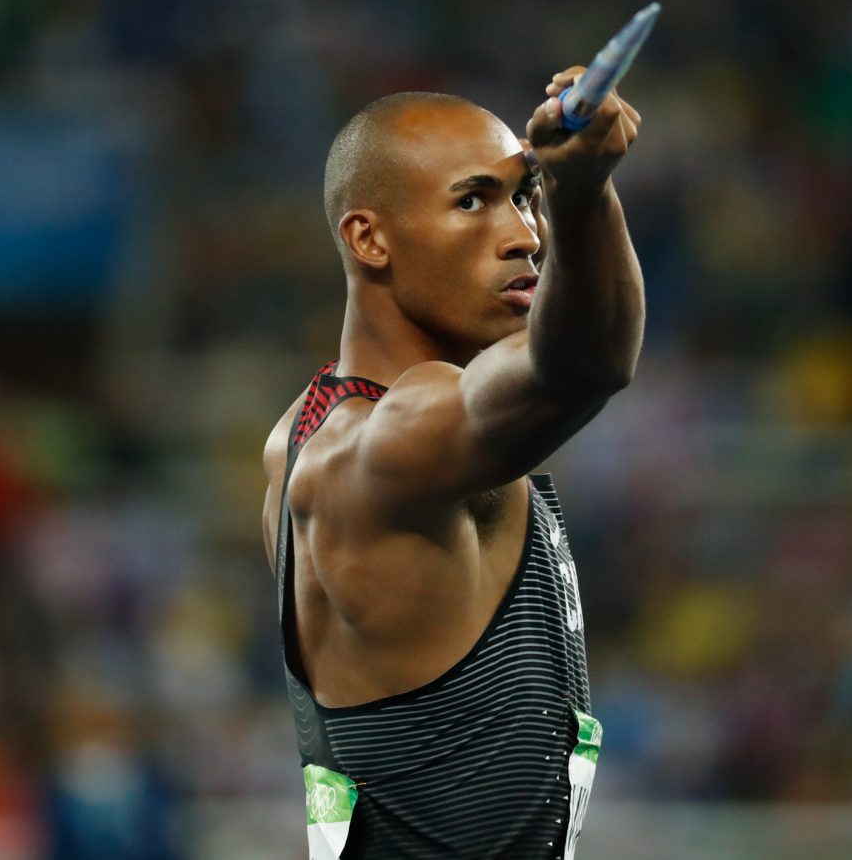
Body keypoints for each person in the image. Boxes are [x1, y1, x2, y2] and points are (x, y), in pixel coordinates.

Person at [262, 65, 644, 860]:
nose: (523, 235)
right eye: (472, 201)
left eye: (526, 196)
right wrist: (582, 194)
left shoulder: (303, 434)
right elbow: (580, 365)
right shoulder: (380, 450)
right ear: (369, 239)